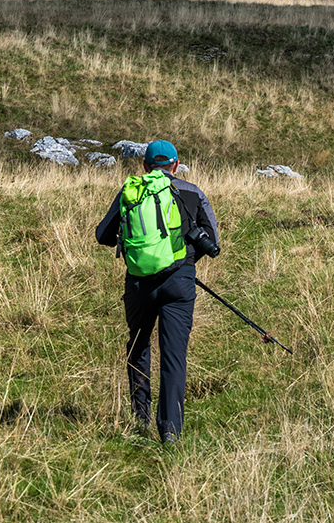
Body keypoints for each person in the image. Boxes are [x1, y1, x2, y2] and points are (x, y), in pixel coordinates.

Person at [94, 139, 220, 443]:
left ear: (145, 166)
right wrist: (185, 260)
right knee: (174, 356)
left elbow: (102, 235)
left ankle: (141, 417)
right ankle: (170, 432)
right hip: (179, 283)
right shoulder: (192, 192)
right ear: (175, 165)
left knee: (138, 345)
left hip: (138, 284)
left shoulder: (131, 192)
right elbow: (212, 239)